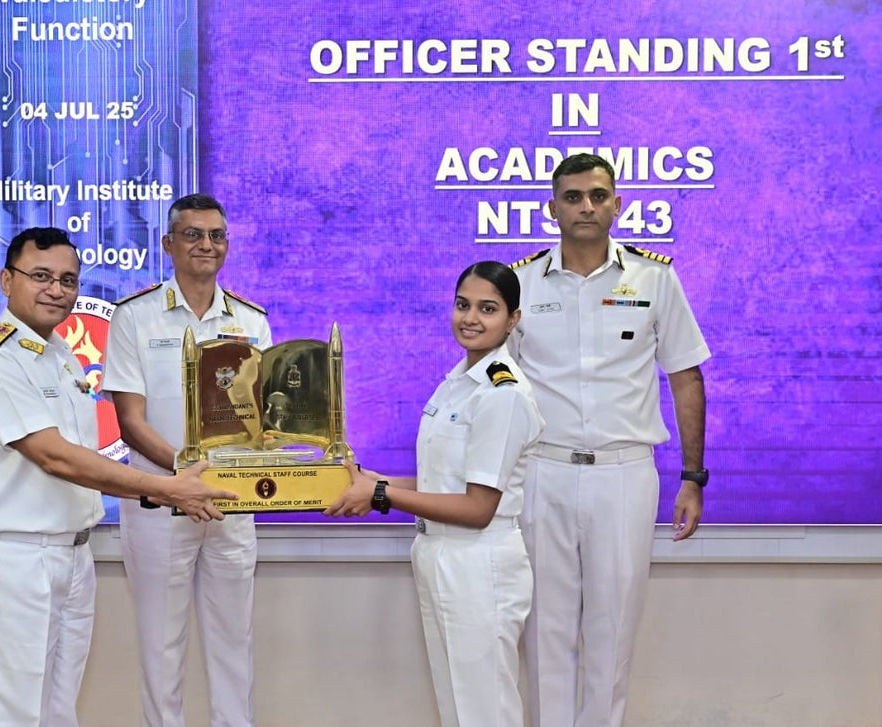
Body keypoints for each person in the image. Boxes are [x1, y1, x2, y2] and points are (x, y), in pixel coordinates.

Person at [0, 226, 236, 727]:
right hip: (14, 557)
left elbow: (80, 456)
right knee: (15, 711)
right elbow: (56, 457)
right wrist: (171, 488)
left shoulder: (60, 355)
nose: (56, 290)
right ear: (6, 280)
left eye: (68, 279)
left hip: (71, 554)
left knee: (59, 710)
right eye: (41, 276)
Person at [508, 153, 710, 727]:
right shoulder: (518, 284)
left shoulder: (655, 278)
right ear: (552, 209)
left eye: (598, 195)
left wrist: (693, 477)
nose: (586, 207)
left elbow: (686, 375)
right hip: (541, 472)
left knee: (613, 631)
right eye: (573, 197)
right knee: (544, 633)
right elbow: (495, 389)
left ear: (618, 205)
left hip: (624, 474)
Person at [325, 261, 544, 727]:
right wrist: (363, 478)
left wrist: (380, 493)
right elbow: (443, 483)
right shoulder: (459, 381)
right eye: (463, 305)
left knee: (484, 710)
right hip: (440, 553)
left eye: (488, 309)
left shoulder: (501, 393)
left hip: (478, 561)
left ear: (513, 319)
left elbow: (478, 507)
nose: (471, 318)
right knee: (456, 705)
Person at [101, 194, 272, 727]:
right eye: (193, 234)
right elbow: (130, 422)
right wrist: (184, 479)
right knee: (161, 645)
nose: (206, 244)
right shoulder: (134, 316)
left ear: (227, 244)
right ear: (168, 244)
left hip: (231, 503)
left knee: (233, 645)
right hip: (159, 503)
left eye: (216, 235)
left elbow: (263, 421)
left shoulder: (251, 321)